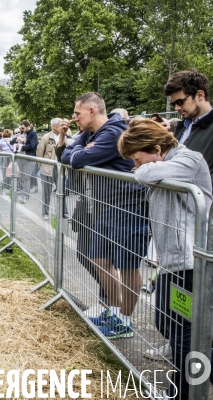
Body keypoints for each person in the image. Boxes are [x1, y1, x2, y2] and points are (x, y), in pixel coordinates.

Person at [118, 118, 213, 400]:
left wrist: (143, 169)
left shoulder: (189, 160)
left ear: (158, 149)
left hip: (192, 261)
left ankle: (184, 392)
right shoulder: (166, 162)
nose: (135, 166)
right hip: (172, 260)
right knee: (166, 323)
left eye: (137, 159)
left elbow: (144, 175)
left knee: (185, 333)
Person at [61, 92, 148, 339]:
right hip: (107, 204)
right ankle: (114, 309)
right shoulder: (90, 132)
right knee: (98, 259)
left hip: (129, 205)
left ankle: (124, 320)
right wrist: (79, 147)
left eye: (77, 113)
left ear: (91, 111)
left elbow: (77, 159)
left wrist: (79, 150)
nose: (74, 117)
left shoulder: (112, 132)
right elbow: (69, 156)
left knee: (128, 265)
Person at [163, 71, 213, 183]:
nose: (176, 108)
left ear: (200, 95)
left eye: (180, 102)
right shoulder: (181, 127)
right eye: (173, 104)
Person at [36, 118, 69, 219]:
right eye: (60, 125)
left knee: (61, 191)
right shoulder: (46, 138)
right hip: (48, 168)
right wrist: (41, 167)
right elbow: (39, 153)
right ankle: (45, 213)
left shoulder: (64, 137)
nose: (62, 127)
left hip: (60, 168)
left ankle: (64, 212)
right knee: (46, 192)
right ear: (54, 126)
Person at [17, 120, 38, 203]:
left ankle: (25, 196)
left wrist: (21, 147)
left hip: (30, 158)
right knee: (24, 177)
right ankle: (25, 195)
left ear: (28, 126)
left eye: (23, 128)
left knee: (26, 177)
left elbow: (32, 145)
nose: (22, 129)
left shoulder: (33, 133)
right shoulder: (27, 134)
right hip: (25, 157)